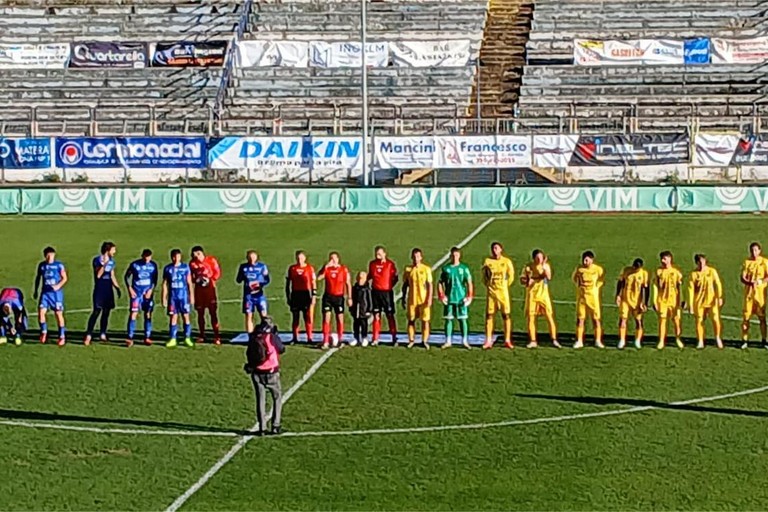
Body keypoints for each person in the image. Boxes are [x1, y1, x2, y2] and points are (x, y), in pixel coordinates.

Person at [244, 317, 285, 436]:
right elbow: (281, 349)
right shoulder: (271, 337)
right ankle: (275, 425)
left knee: (260, 399)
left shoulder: (254, 336)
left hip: (257, 372)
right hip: (272, 372)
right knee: (277, 398)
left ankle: (262, 427)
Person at [84, 242, 122, 346]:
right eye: (113, 250)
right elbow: (98, 275)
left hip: (108, 290)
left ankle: (102, 333)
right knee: (96, 312)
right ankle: (88, 334)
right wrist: (104, 264)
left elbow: (112, 275)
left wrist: (117, 287)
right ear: (108, 250)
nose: (115, 252)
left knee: (106, 313)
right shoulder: (97, 260)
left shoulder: (112, 261)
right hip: (99, 289)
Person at [521, 249, 559, 349]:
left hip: (543, 295)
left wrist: (542, 268)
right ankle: (533, 340)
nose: (539, 259)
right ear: (534, 258)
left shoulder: (545, 266)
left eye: (541, 257)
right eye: (537, 258)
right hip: (532, 295)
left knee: (549, 317)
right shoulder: (528, 267)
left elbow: (549, 277)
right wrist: (527, 279)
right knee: (531, 318)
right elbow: (524, 281)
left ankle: (554, 339)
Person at [438, 246, 473, 350]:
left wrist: (469, 296)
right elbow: (440, 283)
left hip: (461, 299)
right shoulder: (446, 269)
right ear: (450, 256)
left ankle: (465, 341)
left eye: (456, 255)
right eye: (453, 255)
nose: (455, 257)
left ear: (459, 256)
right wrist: (442, 295)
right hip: (449, 299)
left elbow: (469, 283)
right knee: (448, 320)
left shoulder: (464, 269)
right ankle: (448, 341)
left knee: (463, 320)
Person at [481, 242, 515, 349]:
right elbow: (484, 277)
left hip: (503, 293)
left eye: (496, 248)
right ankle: (488, 340)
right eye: (493, 249)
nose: (494, 250)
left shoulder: (506, 262)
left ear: (501, 249)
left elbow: (511, 276)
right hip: (491, 293)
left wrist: (504, 285)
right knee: (489, 316)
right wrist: (489, 285)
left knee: (506, 315)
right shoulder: (487, 261)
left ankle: (507, 340)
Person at [687, 254, 724, 350]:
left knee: (716, 319)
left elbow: (718, 284)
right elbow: (690, 290)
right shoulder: (693, 274)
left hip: (712, 301)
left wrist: (719, 296)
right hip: (699, 302)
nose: (702, 264)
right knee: (699, 321)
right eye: (699, 262)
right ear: (696, 263)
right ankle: (700, 340)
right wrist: (690, 305)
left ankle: (718, 338)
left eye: (703, 262)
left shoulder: (712, 271)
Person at [124, 249, 159, 347]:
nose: (147, 259)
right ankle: (130, 337)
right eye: (145, 256)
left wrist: (151, 290)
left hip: (147, 294)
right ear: (142, 256)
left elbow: (155, 279)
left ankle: (147, 336)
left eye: (149, 257)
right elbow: (126, 277)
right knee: (133, 313)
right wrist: (130, 289)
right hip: (136, 293)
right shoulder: (135, 265)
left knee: (148, 314)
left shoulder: (153, 266)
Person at [33, 246, 68, 346]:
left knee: (58, 314)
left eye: (51, 255)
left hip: (56, 295)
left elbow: (64, 278)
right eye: (48, 256)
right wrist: (35, 290)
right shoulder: (42, 266)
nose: (50, 257)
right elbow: (38, 278)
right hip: (45, 294)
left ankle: (62, 336)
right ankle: (44, 332)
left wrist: (58, 286)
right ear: (45, 256)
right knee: (41, 313)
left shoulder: (59, 265)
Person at [318, 252, 351, 349]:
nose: (333, 260)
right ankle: (325, 341)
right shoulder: (327, 269)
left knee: (340, 319)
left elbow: (348, 283)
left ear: (338, 259)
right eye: (331, 259)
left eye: (334, 258)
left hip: (339, 297)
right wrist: (325, 267)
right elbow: (318, 278)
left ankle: (340, 339)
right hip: (328, 297)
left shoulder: (343, 269)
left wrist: (349, 297)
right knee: (326, 319)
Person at [572, 250, 605, 349]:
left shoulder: (598, 269)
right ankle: (579, 340)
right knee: (580, 319)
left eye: (587, 260)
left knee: (596, 319)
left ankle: (598, 340)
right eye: (584, 260)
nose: (585, 262)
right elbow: (574, 278)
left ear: (591, 260)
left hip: (593, 298)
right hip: (582, 298)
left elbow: (602, 279)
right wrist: (579, 286)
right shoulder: (579, 269)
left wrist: (597, 287)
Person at [189, 246, 222, 345]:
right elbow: (191, 277)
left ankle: (216, 336)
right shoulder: (192, 264)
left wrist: (209, 279)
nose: (197, 257)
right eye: (194, 255)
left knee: (213, 313)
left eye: (198, 254)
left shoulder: (211, 260)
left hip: (210, 292)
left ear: (202, 253)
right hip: (199, 292)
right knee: (200, 314)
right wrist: (197, 280)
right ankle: (202, 335)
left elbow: (217, 273)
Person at [162, 249, 194, 348]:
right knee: (173, 317)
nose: (176, 259)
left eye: (178, 257)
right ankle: (172, 338)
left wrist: (191, 295)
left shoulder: (185, 268)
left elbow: (189, 282)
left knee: (186, 316)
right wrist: (164, 298)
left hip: (183, 296)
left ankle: (187, 338)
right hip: (173, 297)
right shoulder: (168, 269)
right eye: (174, 257)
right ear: (171, 257)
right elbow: (165, 284)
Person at [402, 248, 433, 349]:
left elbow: (429, 285)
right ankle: (411, 340)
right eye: (414, 257)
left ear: (421, 257)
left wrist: (429, 298)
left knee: (425, 321)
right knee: (411, 320)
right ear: (412, 257)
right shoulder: (408, 270)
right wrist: (403, 297)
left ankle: (424, 341)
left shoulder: (426, 269)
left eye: (418, 256)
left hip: (423, 299)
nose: (416, 259)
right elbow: (405, 284)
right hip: (412, 300)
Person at [368, 246, 398, 346]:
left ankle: (394, 336)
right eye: (376, 253)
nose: (378, 255)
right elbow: (370, 276)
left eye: (380, 253)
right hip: (375, 293)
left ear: (385, 254)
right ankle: (375, 338)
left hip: (387, 293)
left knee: (390, 315)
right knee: (376, 315)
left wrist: (389, 286)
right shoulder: (372, 264)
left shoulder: (390, 264)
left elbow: (395, 278)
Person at [616, 258, 650, 349]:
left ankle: (638, 340)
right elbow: (620, 282)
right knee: (623, 320)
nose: (635, 269)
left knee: (638, 321)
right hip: (625, 300)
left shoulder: (644, 274)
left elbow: (646, 289)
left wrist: (645, 302)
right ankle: (622, 340)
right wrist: (618, 295)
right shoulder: (627, 271)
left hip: (637, 302)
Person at [740, 242, 768, 349]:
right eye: (752, 250)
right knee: (746, 318)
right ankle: (744, 340)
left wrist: (761, 281)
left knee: (762, 318)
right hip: (749, 295)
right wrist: (749, 282)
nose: (754, 252)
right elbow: (742, 277)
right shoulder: (747, 262)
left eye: (756, 250)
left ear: (759, 251)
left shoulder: (765, 262)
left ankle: (764, 340)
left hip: (760, 296)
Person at [654, 251, 684, 350]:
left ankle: (678, 338)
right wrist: (655, 300)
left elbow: (680, 287)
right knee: (662, 320)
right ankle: (662, 341)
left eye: (664, 259)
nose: (663, 261)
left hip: (674, 300)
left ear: (670, 259)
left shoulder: (676, 273)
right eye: (661, 259)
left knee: (676, 320)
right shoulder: (659, 272)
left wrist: (682, 300)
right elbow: (656, 286)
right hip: (662, 300)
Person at [236, 250, 271, 335]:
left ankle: (265, 334)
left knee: (264, 315)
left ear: (257, 257)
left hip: (259, 295)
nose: (252, 259)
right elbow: (238, 280)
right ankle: (250, 336)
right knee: (249, 315)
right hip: (248, 296)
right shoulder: (243, 267)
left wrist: (260, 284)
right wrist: (244, 276)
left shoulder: (262, 266)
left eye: (253, 257)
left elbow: (267, 280)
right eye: (250, 257)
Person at [285, 250, 316, 344]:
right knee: (295, 317)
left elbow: (313, 282)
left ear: (305, 258)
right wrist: (288, 296)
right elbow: (288, 283)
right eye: (298, 258)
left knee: (307, 317)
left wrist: (313, 296)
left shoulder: (310, 268)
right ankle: (295, 338)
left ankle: (309, 338)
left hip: (305, 294)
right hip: (295, 294)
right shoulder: (292, 268)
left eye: (301, 258)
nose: (299, 260)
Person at [350, 271, 372, 347]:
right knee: (356, 324)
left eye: (362, 278)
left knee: (363, 324)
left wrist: (369, 310)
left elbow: (369, 300)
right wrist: (351, 308)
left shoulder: (367, 289)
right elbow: (352, 298)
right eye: (359, 278)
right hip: (356, 310)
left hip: (364, 310)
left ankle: (364, 337)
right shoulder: (355, 288)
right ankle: (356, 338)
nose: (360, 280)